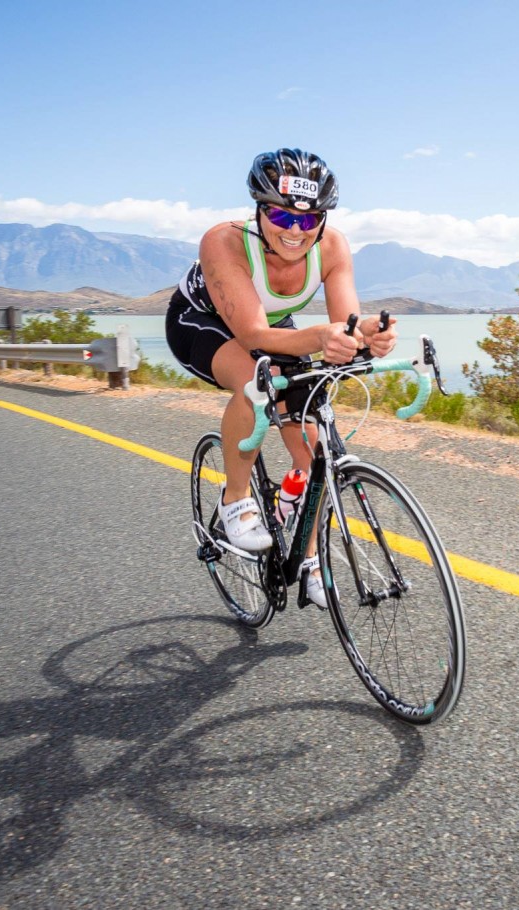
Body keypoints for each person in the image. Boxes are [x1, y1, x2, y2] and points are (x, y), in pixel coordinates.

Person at [166, 148, 396, 606]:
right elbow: (251, 333)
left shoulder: (333, 249)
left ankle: (308, 558)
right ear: (258, 209)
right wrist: (320, 338)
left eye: (308, 222)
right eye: (280, 215)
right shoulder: (224, 241)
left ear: (323, 222)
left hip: (272, 330)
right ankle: (235, 499)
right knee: (257, 382)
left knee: (313, 448)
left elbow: (345, 323)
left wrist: (367, 336)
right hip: (203, 322)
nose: (294, 231)